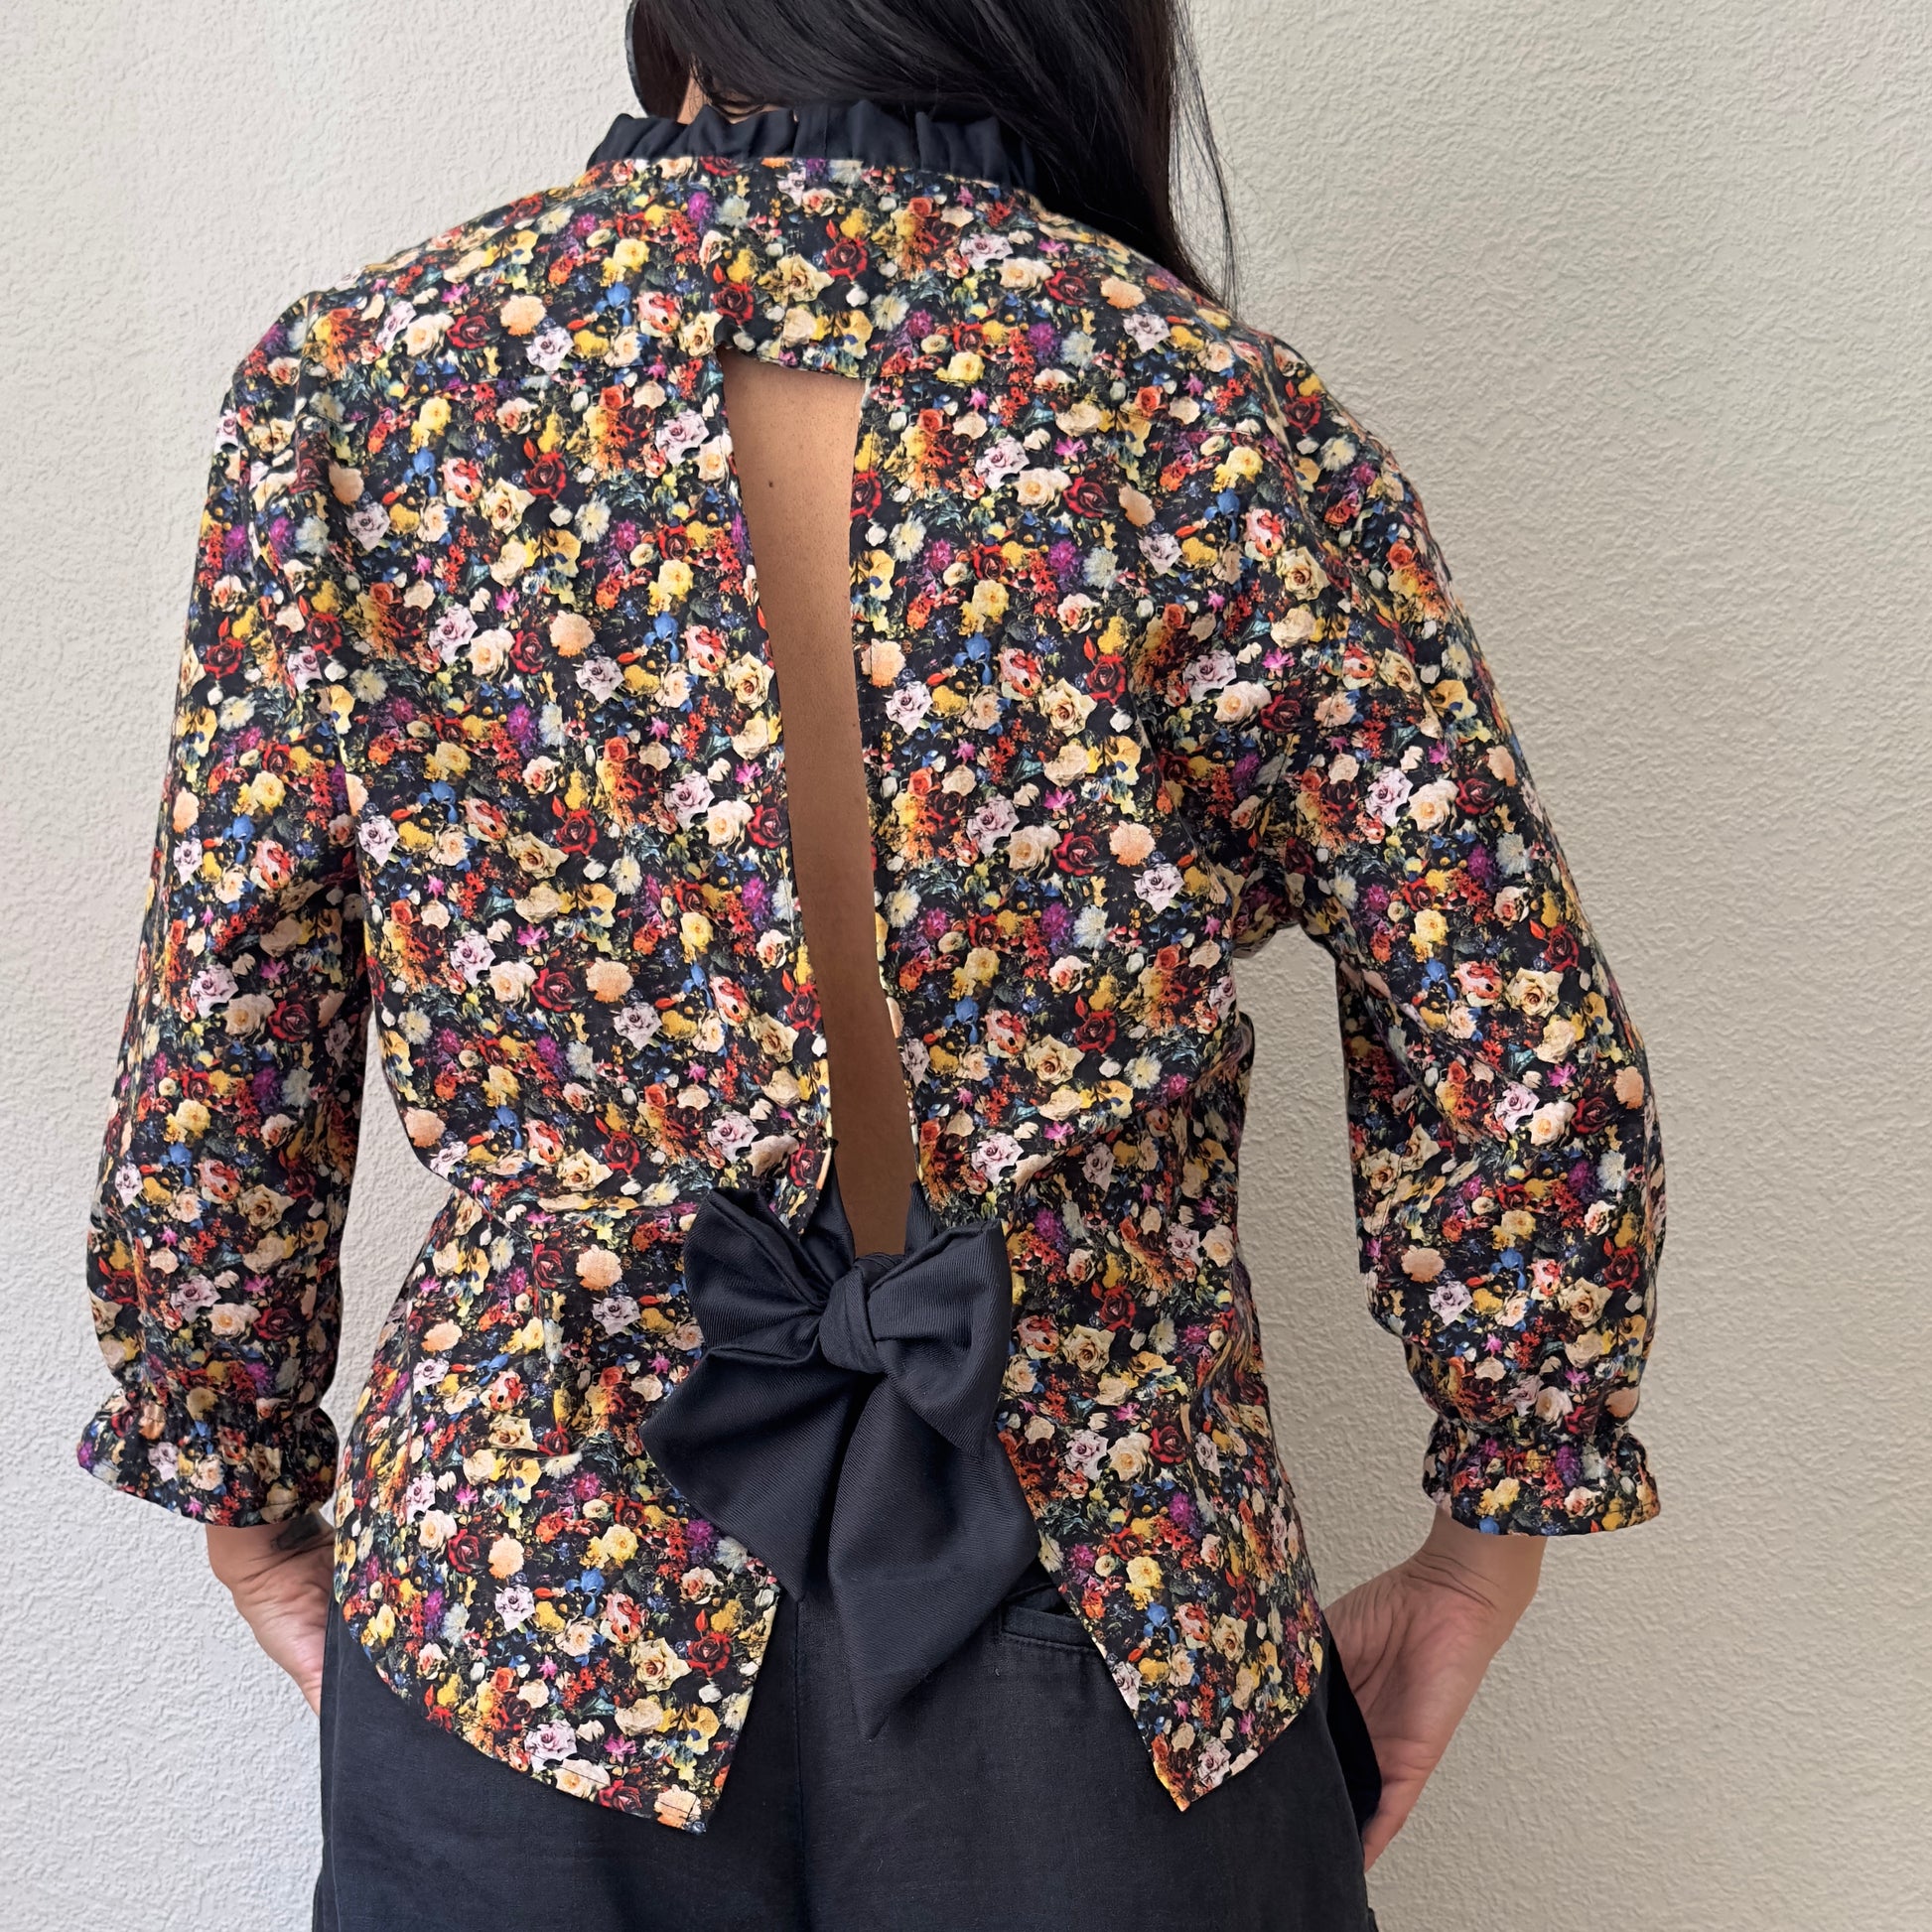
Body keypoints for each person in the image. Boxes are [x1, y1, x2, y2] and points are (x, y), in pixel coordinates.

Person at [76, 2, 1667, 1925]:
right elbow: (1510, 1032)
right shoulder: (1209, 411)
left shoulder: (364, 384)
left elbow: (233, 999)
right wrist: (1493, 1519)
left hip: (530, 1598)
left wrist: (239, 1475)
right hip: (1115, 1599)